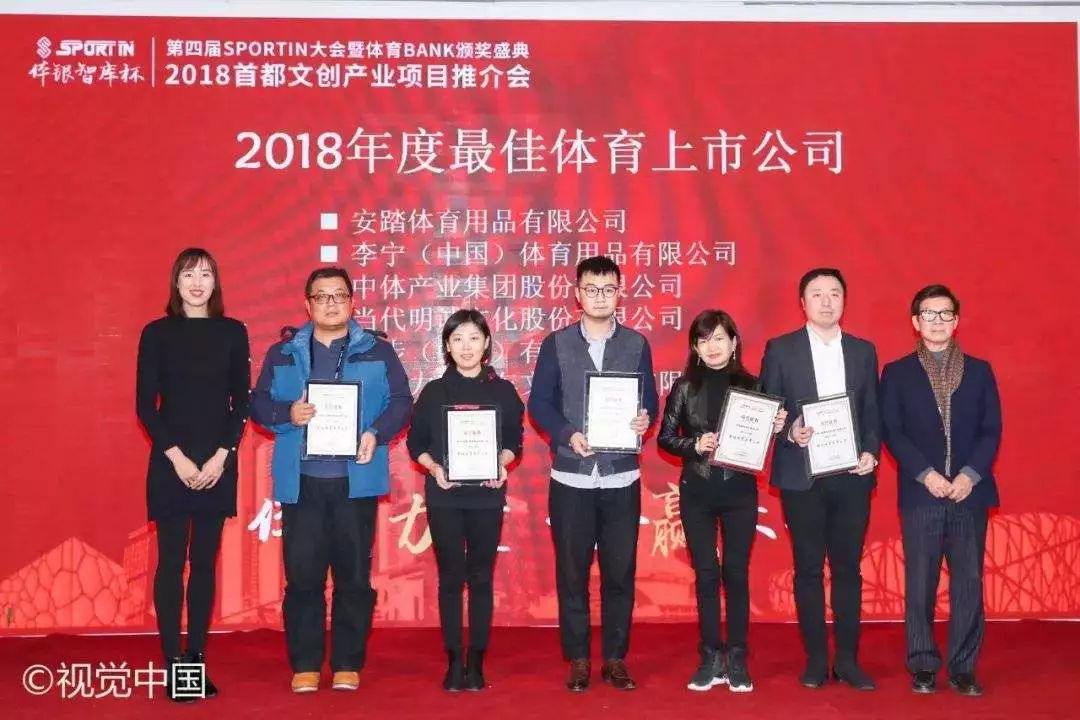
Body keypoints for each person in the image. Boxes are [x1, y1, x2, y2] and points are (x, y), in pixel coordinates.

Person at [250, 266, 412, 694]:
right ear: (307, 305)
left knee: (353, 577)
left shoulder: (378, 350)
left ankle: (346, 663)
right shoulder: (283, 353)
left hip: (355, 481)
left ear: (352, 302)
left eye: (339, 295)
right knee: (303, 577)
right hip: (302, 481)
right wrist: (288, 413)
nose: (331, 304)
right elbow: (259, 403)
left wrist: (376, 433)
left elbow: (401, 401)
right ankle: (305, 663)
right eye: (321, 297)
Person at [528, 255, 659, 692]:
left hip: (621, 477)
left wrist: (644, 417)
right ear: (577, 293)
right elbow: (539, 403)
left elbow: (650, 399)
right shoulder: (557, 343)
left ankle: (616, 658)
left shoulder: (636, 343)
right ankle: (580, 658)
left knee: (620, 572)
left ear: (619, 293)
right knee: (573, 573)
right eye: (591, 289)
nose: (600, 297)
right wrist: (567, 434)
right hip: (573, 478)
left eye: (608, 289)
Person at [136, 248, 250, 701]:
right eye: (188, 274)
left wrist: (222, 456)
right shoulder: (156, 333)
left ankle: (195, 662)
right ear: (176, 283)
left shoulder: (233, 332)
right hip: (171, 461)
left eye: (205, 274)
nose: (197, 282)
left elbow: (241, 402)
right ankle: (172, 662)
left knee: (204, 562)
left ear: (215, 282)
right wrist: (177, 459)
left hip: (217, 461)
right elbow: (146, 406)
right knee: (170, 562)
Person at [760, 267, 881, 691]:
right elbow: (770, 410)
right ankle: (815, 660)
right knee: (808, 569)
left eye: (834, 293)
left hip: (851, 476)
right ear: (803, 302)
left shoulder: (863, 351)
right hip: (803, 477)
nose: (826, 301)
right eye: (817, 294)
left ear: (844, 300)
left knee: (847, 569)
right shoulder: (781, 349)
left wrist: (870, 452)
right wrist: (790, 431)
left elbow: (872, 412)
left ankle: (847, 661)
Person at [880, 285, 1001, 697]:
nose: (937, 321)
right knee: (920, 581)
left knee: (968, 582)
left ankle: (964, 667)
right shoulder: (897, 373)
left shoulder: (980, 371)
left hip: (970, 493)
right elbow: (893, 431)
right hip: (922, 493)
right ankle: (923, 664)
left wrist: (970, 475)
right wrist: (925, 474)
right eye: (929, 314)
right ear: (916, 322)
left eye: (945, 314)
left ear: (956, 320)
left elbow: (991, 430)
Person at [658, 310, 786, 693]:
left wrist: (774, 428)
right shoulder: (684, 387)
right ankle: (710, 656)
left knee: (736, 573)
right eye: (703, 340)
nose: (711, 346)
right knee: (706, 575)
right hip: (696, 491)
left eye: (718, 338)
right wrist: (694, 444)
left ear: (733, 343)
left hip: (738, 493)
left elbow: (759, 440)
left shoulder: (753, 386)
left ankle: (738, 657)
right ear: (695, 347)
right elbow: (665, 437)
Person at [406, 309, 524, 692]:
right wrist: (433, 468)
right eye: (457, 339)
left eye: (474, 337)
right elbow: (416, 444)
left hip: (486, 496)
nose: (466, 346)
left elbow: (514, 442)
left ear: (487, 342)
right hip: (445, 497)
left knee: (481, 577)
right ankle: (454, 659)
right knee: (451, 577)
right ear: (447, 345)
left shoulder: (503, 391)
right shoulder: (433, 392)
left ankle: (477, 661)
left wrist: (503, 463)